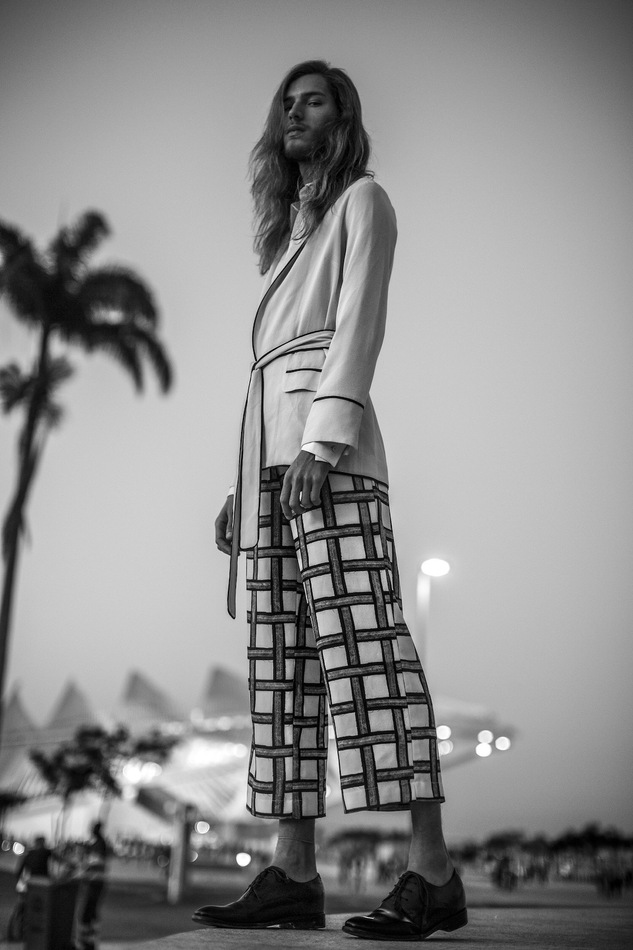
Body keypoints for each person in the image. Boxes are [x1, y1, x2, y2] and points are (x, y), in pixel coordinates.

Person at [193, 60, 467, 941]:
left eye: (311, 101)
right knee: (281, 666)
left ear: (341, 117)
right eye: (287, 102)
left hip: (329, 459)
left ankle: (432, 872)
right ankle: (292, 872)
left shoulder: (363, 202)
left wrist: (323, 442)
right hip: (271, 466)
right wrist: (241, 485)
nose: (294, 112)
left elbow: (358, 325)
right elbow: (271, 375)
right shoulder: (291, 234)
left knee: (366, 649)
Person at [75, 821, 108, 950]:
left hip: (95, 881)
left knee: (87, 912)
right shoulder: (98, 843)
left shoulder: (99, 843)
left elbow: (96, 862)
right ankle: (90, 939)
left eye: (93, 828)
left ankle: (87, 940)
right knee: (91, 911)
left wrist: (84, 865)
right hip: (94, 881)